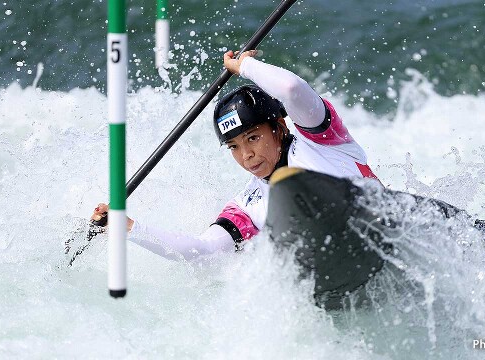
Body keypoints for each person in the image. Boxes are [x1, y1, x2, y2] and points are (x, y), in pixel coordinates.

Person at [91, 50, 380, 260]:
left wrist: (246, 66)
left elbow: (292, 89)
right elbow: (201, 253)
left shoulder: (321, 139)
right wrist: (128, 227)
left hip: (378, 230)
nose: (247, 155)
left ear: (279, 126)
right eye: (234, 147)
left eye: (253, 138)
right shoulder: (246, 206)